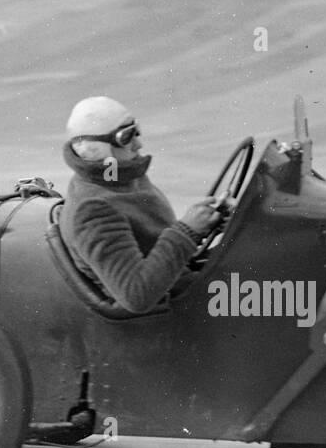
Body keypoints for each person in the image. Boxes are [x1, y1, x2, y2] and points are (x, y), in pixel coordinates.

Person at [58, 96, 224, 313]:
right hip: (173, 316)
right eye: (126, 137)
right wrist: (187, 232)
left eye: (136, 131)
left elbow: (154, 242)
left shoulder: (118, 175)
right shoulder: (93, 210)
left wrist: (207, 222)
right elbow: (135, 294)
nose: (138, 143)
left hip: (182, 287)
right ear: (97, 149)